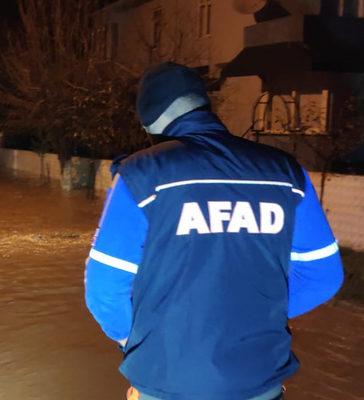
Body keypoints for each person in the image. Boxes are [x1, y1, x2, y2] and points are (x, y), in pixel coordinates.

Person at [84, 62, 344, 400]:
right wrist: (251, 313)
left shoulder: (141, 175)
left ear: (150, 120)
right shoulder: (285, 172)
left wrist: (134, 339)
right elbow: (323, 276)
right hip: (260, 381)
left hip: (169, 383)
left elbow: (104, 291)